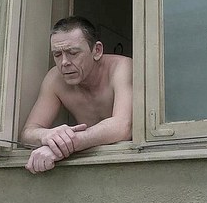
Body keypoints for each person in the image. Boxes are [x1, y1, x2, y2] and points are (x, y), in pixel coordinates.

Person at [22, 16, 132, 174]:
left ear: (97, 51)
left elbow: (122, 127)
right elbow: (28, 133)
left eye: (73, 53)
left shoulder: (122, 67)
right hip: (87, 170)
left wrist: (66, 144)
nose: (64, 62)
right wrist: (47, 136)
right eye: (57, 55)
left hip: (126, 167)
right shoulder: (55, 79)